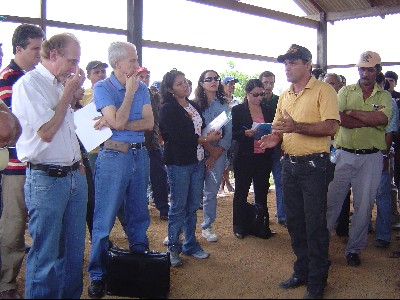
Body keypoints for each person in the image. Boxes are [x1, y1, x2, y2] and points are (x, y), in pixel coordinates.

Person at [260, 44, 340, 299]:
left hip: (314, 167)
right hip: (289, 166)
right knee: (295, 223)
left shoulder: (323, 90)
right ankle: (302, 271)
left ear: (308, 64)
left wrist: (296, 127)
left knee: (314, 224)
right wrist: (274, 139)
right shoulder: (285, 94)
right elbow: (279, 129)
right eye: (286, 62)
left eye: (293, 62)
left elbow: (330, 127)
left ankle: (317, 280)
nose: (287, 66)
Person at [12, 32, 87, 299]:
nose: (75, 69)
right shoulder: (28, 85)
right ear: (53, 55)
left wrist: (77, 163)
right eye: (72, 61)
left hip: (72, 176)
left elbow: (68, 131)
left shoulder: (59, 84)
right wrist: (67, 95)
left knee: (73, 251)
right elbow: (46, 132)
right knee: (45, 254)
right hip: (45, 178)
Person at [87, 41, 154, 299]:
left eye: (136, 60)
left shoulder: (143, 87)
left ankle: (139, 265)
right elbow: (116, 120)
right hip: (114, 156)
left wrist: (117, 123)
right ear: (118, 63)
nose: (136, 65)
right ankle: (98, 274)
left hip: (140, 154)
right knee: (104, 218)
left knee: (139, 213)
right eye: (132, 60)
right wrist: (127, 96)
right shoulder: (102, 87)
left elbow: (149, 123)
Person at [326, 51, 392, 268]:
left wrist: (353, 113)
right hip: (343, 155)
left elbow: (382, 118)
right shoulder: (345, 91)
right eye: (362, 69)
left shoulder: (384, 96)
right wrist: (368, 121)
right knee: (331, 202)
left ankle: (353, 249)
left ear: (377, 71)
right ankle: (321, 246)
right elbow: (339, 117)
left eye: (369, 69)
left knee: (364, 207)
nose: (365, 73)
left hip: (371, 158)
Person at [159, 69, 221, 267]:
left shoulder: (192, 105)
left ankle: (190, 244)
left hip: (198, 160)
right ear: (170, 89)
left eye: (186, 82)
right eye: (179, 83)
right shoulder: (167, 108)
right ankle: (173, 248)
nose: (185, 85)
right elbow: (180, 137)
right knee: (178, 207)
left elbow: (198, 128)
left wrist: (208, 134)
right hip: (179, 163)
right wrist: (206, 139)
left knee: (193, 205)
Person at [0, 23, 44, 300]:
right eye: (35, 49)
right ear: (19, 49)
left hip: (34, 162)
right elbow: (14, 124)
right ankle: (6, 283)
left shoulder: (33, 76)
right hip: (16, 165)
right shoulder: (9, 77)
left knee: (27, 221)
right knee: (14, 224)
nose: (40, 54)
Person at [231, 78, 275, 239]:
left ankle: (261, 224)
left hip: (263, 157)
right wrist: (245, 133)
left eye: (262, 94)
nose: (259, 98)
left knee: (262, 191)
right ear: (247, 94)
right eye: (255, 94)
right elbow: (232, 134)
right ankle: (239, 225)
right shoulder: (237, 110)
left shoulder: (268, 109)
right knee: (241, 191)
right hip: (244, 156)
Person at [194, 70, 232, 243]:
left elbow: (228, 134)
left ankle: (207, 226)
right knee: (191, 192)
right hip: (197, 153)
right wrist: (208, 148)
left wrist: (215, 153)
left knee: (210, 192)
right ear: (201, 83)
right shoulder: (193, 105)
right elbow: (192, 133)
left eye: (216, 78)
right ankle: (181, 228)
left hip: (218, 154)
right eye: (208, 79)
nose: (213, 81)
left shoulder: (225, 106)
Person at [137, 66, 169, 220]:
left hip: (154, 143)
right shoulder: (129, 95)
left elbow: (160, 119)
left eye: (147, 76)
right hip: (135, 144)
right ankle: (140, 209)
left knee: (159, 177)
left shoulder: (155, 96)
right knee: (138, 179)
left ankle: (163, 208)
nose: (144, 80)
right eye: (141, 76)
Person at [323, 73, 351, 242]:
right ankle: (324, 229)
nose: (329, 86)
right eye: (326, 83)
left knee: (343, 191)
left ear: (340, 86)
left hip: (341, 152)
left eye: (332, 83)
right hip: (322, 153)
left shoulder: (344, 102)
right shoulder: (320, 101)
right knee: (323, 191)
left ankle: (342, 228)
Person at [373, 72, 399, 249]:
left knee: (382, 193)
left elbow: (390, 131)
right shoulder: (360, 97)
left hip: (380, 152)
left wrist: (383, 154)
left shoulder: (388, 101)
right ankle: (366, 227)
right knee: (362, 194)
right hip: (362, 152)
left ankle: (383, 234)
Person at [259, 70, 286, 227]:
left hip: (277, 146)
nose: (268, 86)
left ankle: (282, 215)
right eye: (265, 83)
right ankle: (261, 215)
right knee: (261, 183)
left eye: (271, 83)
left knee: (280, 180)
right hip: (260, 146)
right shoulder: (256, 100)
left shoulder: (279, 99)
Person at [219, 75, 240, 194]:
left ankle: (225, 183)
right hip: (223, 134)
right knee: (224, 159)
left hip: (235, 134)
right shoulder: (219, 101)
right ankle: (225, 183)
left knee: (232, 159)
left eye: (233, 84)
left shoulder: (237, 101)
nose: (232, 86)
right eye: (229, 84)